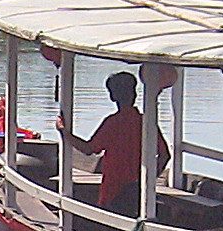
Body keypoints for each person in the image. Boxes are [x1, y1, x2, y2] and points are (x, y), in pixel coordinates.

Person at [56, 71, 169, 217]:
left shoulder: (113, 123)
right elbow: (165, 155)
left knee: (112, 229)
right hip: (138, 189)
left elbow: (89, 149)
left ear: (112, 96)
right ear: (134, 93)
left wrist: (64, 132)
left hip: (113, 190)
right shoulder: (146, 122)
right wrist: (147, 180)